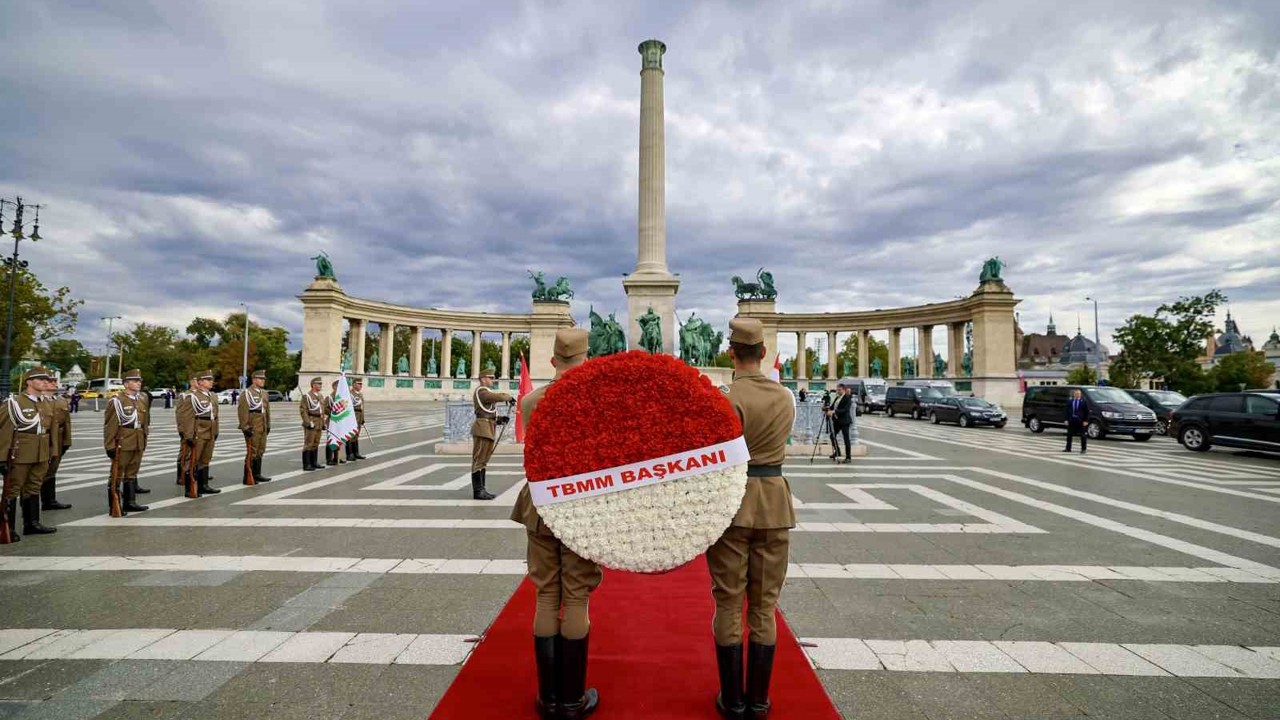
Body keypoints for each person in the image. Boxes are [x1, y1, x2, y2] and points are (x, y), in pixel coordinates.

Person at [707, 318, 796, 720]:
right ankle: (758, 701)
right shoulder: (786, 398)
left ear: (731, 353)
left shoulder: (722, 399)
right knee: (764, 605)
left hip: (734, 504)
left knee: (728, 602)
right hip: (775, 503)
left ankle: (732, 698)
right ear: (763, 353)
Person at [511, 328, 601, 718]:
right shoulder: (597, 402)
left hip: (542, 503)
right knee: (577, 596)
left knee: (547, 594)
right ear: (586, 359)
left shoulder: (531, 402)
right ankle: (572, 697)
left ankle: (548, 697)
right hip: (580, 504)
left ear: (553, 361)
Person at [0, 367, 59, 540]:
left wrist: (52, 452)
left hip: (41, 452)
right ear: (29, 382)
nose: (44, 382)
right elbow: (4, 430)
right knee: (13, 489)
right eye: (40, 379)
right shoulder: (14, 403)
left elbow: (50, 430)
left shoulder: (46, 402)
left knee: (34, 487)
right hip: (20, 453)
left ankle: (32, 523)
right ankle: (6, 528)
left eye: (45, 379)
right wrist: (2, 457)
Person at [103, 369, 150, 513]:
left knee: (132, 473)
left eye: (139, 381)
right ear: (126, 384)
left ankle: (130, 502)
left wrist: (144, 438)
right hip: (123, 441)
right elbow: (110, 425)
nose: (139, 383)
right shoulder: (117, 401)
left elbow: (145, 422)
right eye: (135, 381)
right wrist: (109, 445)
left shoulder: (142, 399)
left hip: (138, 439)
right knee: (117, 474)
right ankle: (114, 506)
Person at [470, 367, 513, 500]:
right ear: (483, 379)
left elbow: (488, 413)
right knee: (479, 460)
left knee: (483, 461)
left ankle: (482, 489)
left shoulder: (485, 393)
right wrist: (509, 397)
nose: (493, 380)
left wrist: (500, 419)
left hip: (488, 427)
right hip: (483, 429)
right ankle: (478, 491)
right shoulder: (482, 391)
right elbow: (499, 397)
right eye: (490, 378)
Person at [176, 370, 220, 495]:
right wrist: (188, 435)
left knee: (205, 459)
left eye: (211, 380)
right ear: (200, 382)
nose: (211, 382)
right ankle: (190, 489)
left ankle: (203, 485)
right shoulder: (191, 397)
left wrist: (216, 430)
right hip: (198, 431)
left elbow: (215, 415)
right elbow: (187, 417)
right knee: (193, 460)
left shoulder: (213, 396)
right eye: (208, 380)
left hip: (210, 430)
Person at [40, 380, 74, 510]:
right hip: (43, 438)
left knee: (52, 469)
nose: (54, 383)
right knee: (37, 472)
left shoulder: (61, 400)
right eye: (50, 381)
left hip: (58, 438)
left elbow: (67, 423)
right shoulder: (37, 401)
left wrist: (67, 441)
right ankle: (28, 507)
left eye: (55, 381)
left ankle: (50, 500)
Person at [237, 370, 273, 484]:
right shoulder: (247, 393)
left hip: (262, 425)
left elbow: (267, 411)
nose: (263, 381)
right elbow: (242, 411)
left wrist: (268, 425)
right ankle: (248, 476)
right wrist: (245, 427)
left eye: (263, 379)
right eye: (260, 379)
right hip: (252, 426)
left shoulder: (264, 393)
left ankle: (257, 474)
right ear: (254, 380)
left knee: (260, 450)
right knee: (252, 451)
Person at [299, 377, 327, 471]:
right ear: (313, 385)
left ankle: (314, 462)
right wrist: (308, 422)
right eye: (318, 384)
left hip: (319, 422)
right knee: (309, 443)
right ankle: (307, 464)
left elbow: (322, 411)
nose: (320, 386)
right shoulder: (307, 396)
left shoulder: (321, 396)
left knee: (316, 443)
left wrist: (323, 423)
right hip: (311, 421)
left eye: (320, 384)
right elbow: (303, 411)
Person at [827, 384, 853, 463]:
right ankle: (837, 451)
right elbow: (832, 407)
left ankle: (848, 457)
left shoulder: (847, 398)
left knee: (846, 439)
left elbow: (845, 410)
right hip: (837, 421)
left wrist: (834, 411)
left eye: (839, 390)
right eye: (837, 390)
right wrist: (827, 409)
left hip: (844, 421)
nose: (838, 391)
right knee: (832, 436)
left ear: (844, 390)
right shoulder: (837, 398)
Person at [347, 377, 367, 461]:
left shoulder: (360, 394)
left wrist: (362, 418)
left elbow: (362, 407)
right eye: (359, 384)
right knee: (350, 435)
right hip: (352, 416)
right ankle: (350, 454)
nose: (360, 385)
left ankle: (356, 453)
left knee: (356, 435)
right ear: (354, 384)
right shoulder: (349, 394)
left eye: (361, 384)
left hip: (359, 416)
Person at [1065, 389, 1089, 454]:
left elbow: (1086, 412)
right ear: (1074, 394)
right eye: (1076, 394)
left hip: (1080, 421)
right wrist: (1066, 419)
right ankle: (1068, 448)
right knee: (1069, 435)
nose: (1077, 395)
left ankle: (1083, 449)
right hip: (1071, 420)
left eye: (1079, 394)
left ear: (1080, 395)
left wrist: (1086, 421)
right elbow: (1067, 411)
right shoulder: (1070, 401)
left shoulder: (1083, 402)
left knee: (1083, 435)